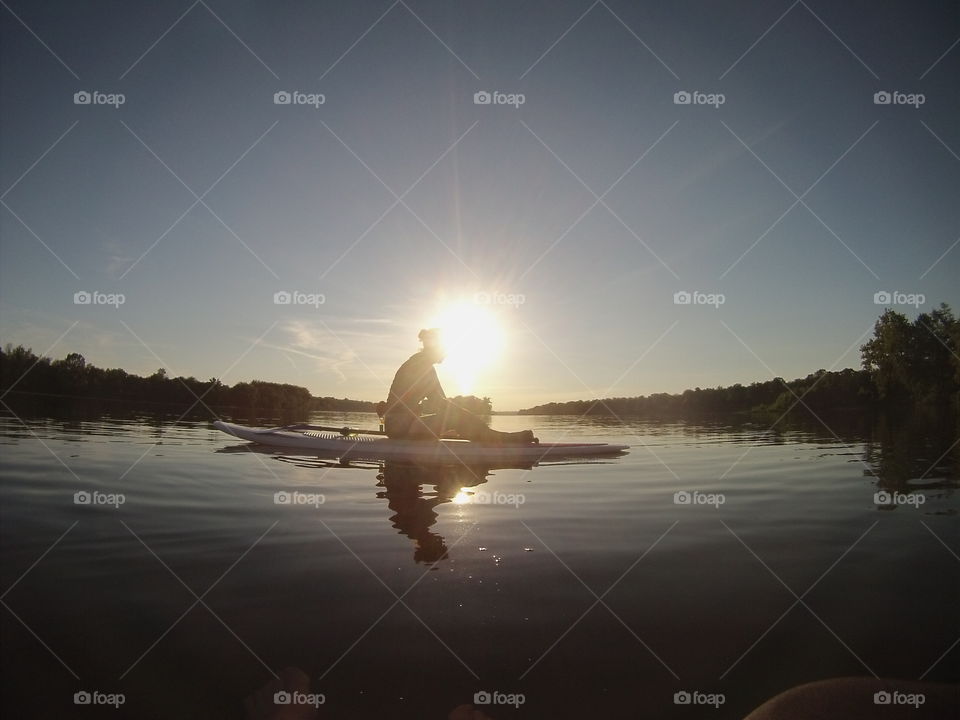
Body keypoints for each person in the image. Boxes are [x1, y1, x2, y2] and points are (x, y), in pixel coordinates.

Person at [381, 328, 537, 444]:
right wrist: (466, 417)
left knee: (459, 419)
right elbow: (440, 404)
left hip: (400, 426)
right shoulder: (421, 365)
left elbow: (440, 401)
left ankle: (491, 436)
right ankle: (502, 439)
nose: (447, 354)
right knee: (459, 419)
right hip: (401, 429)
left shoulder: (422, 364)